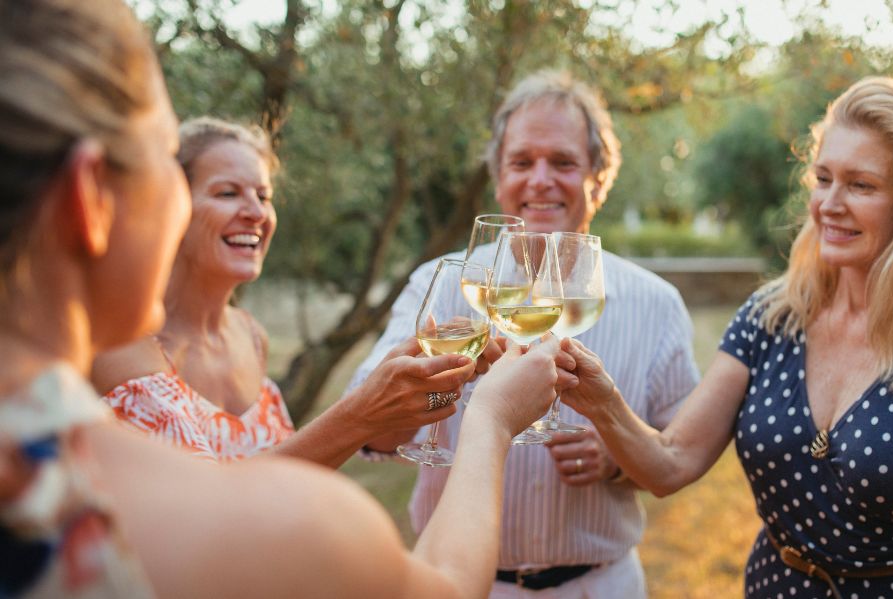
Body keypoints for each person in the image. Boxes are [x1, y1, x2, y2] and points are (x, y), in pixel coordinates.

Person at [0, 1, 569, 597]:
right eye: (163, 159)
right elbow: (448, 588)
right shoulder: (281, 526)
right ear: (89, 198)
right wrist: (492, 420)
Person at [561, 77, 893, 598]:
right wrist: (603, 403)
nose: (829, 203)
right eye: (823, 178)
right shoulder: (772, 319)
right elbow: (671, 462)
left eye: (861, 185)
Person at [349, 70, 700, 597]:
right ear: (498, 178)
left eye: (563, 162)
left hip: (599, 586)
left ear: (598, 180)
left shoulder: (657, 303)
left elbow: (678, 455)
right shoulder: (444, 285)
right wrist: (429, 387)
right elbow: (367, 431)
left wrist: (618, 462)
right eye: (522, 162)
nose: (540, 180)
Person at [90, 116, 482, 466]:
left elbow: (291, 474)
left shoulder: (250, 335)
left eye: (263, 196)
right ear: (170, 204)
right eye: (228, 193)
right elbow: (207, 512)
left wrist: (406, 400)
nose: (256, 213)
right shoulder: (121, 343)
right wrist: (361, 412)